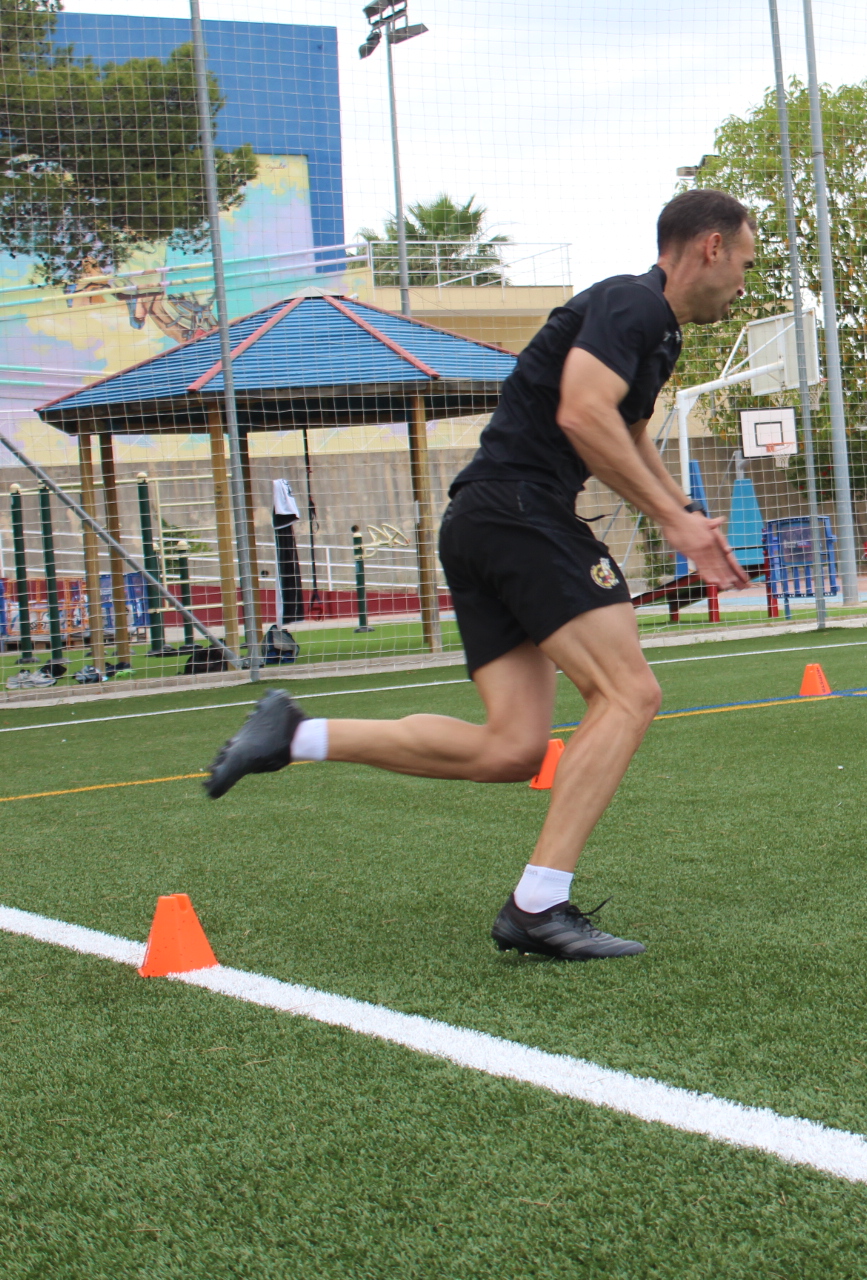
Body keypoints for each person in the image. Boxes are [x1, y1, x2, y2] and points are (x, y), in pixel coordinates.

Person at [202, 190, 756, 961]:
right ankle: (539, 905)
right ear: (710, 247)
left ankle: (296, 735)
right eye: (745, 262)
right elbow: (581, 415)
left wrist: (684, 512)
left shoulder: (655, 335)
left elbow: (627, 433)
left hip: (483, 521)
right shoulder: (634, 303)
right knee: (631, 693)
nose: (743, 282)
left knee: (513, 747)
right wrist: (672, 521)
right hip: (520, 510)